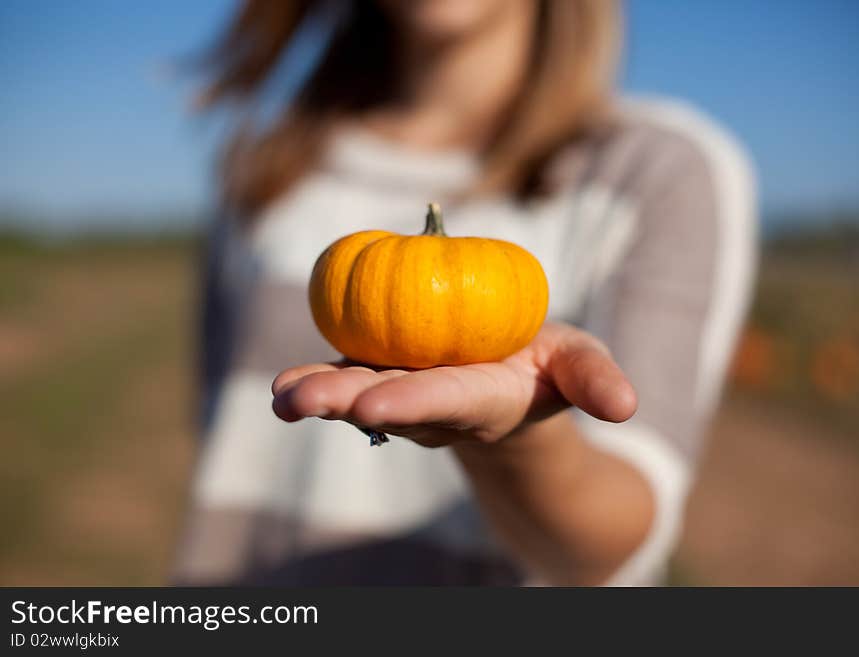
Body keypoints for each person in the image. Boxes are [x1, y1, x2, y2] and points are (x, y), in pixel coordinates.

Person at [173, 0, 756, 586]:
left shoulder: (657, 168)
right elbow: (224, 432)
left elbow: (615, 541)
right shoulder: (267, 167)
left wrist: (511, 440)